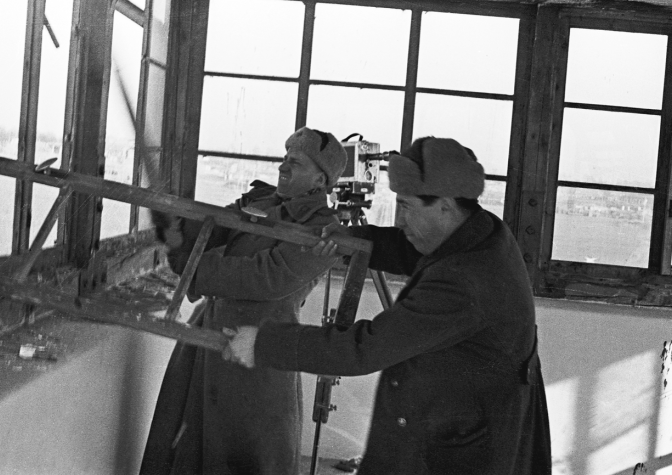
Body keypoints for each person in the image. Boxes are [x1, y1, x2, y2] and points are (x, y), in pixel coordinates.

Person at [224, 136, 552, 475]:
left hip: (462, 446)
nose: (401, 221)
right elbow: (413, 248)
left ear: (445, 205)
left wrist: (263, 343)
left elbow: (364, 348)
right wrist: (354, 241)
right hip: (459, 417)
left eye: (407, 207)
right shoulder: (481, 232)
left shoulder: (466, 280)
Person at [140, 127, 348, 475]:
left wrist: (193, 266)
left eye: (294, 162)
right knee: (189, 450)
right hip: (208, 346)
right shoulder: (262, 201)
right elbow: (211, 228)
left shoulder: (325, 230)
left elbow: (267, 278)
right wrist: (175, 226)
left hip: (257, 359)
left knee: (249, 456)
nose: (283, 166)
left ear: (320, 179)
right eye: (284, 157)